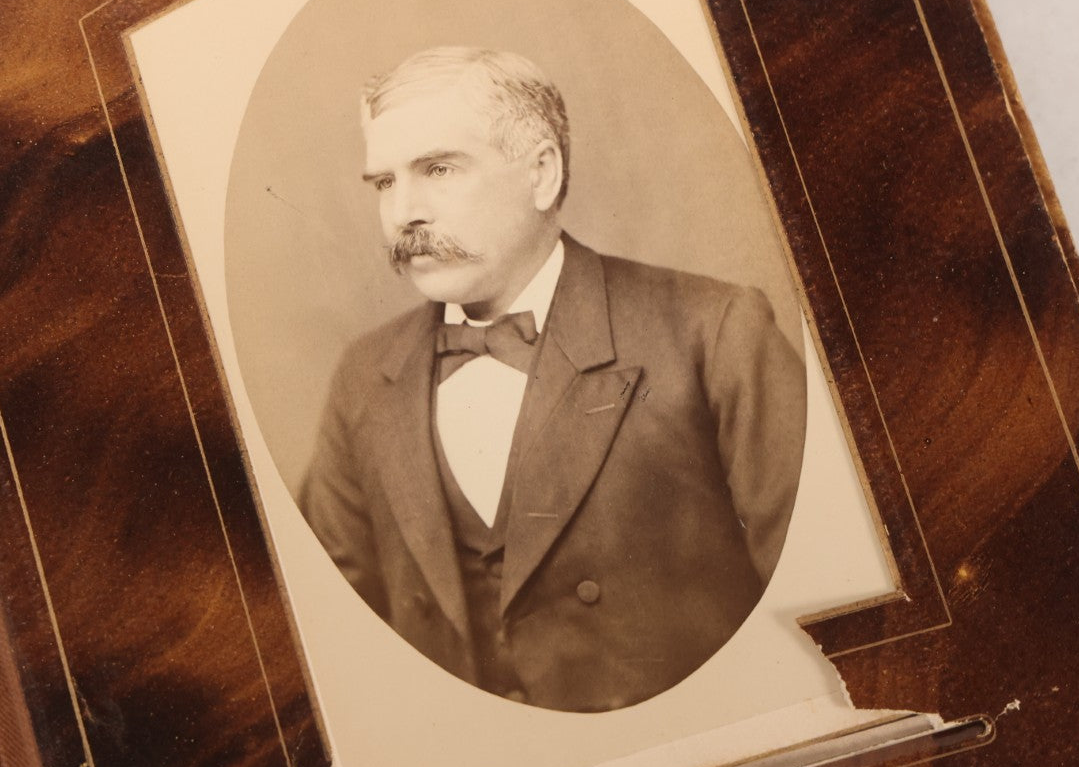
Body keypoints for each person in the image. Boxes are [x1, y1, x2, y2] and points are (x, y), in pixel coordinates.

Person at [298, 46, 805, 712]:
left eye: (439, 168)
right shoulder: (364, 378)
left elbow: (819, 601)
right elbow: (328, 641)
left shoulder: (713, 331)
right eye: (384, 183)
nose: (403, 214)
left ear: (541, 171)